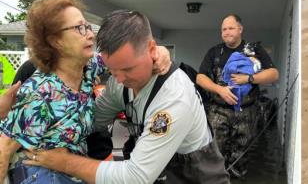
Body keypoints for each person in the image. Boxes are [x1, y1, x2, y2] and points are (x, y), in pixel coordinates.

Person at [24, 10, 230, 184]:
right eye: (112, 71)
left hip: (195, 176)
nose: (120, 79)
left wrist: (63, 162)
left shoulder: (174, 98)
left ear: (151, 49)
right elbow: (94, 121)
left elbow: (136, 177)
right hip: (158, 171)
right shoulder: (119, 81)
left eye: (128, 69)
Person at [0, 0, 106, 184]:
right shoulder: (40, 91)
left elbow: (123, 55)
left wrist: (160, 52)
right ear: (55, 41)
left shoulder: (89, 68)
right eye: (79, 28)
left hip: (73, 173)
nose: (90, 34)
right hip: (42, 176)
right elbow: (3, 149)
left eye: (87, 26)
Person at [196, 14, 279, 179]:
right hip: (218, 111)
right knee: (214, 152)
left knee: (241, 155)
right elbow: (200, 77)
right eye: (223, 29)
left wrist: (249, 78)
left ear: (240, 29)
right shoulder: (214, 52)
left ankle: (236, 176)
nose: (226, 32)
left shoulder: (254, 50)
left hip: (246, 113)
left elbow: (274, 74)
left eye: (231, 28)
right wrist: (219, 90)